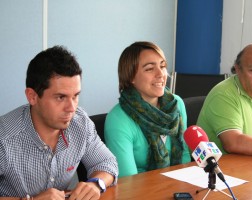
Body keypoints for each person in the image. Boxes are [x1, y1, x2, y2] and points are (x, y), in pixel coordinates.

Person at [0, 46, 118, 200]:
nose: (71, 108)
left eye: (75, 96)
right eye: (60, 97)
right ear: (32, 96)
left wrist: (96, 183)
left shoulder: (80, 123)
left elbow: (107, 163)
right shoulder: (4, 136)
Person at [104, 41, 191, 177]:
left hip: (178, 188)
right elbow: (128, 181)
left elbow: (185, 157)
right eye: (150, 69)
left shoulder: (176, 104)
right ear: (131, 76)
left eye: (162, 66)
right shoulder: (118, 119)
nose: (161, 74)